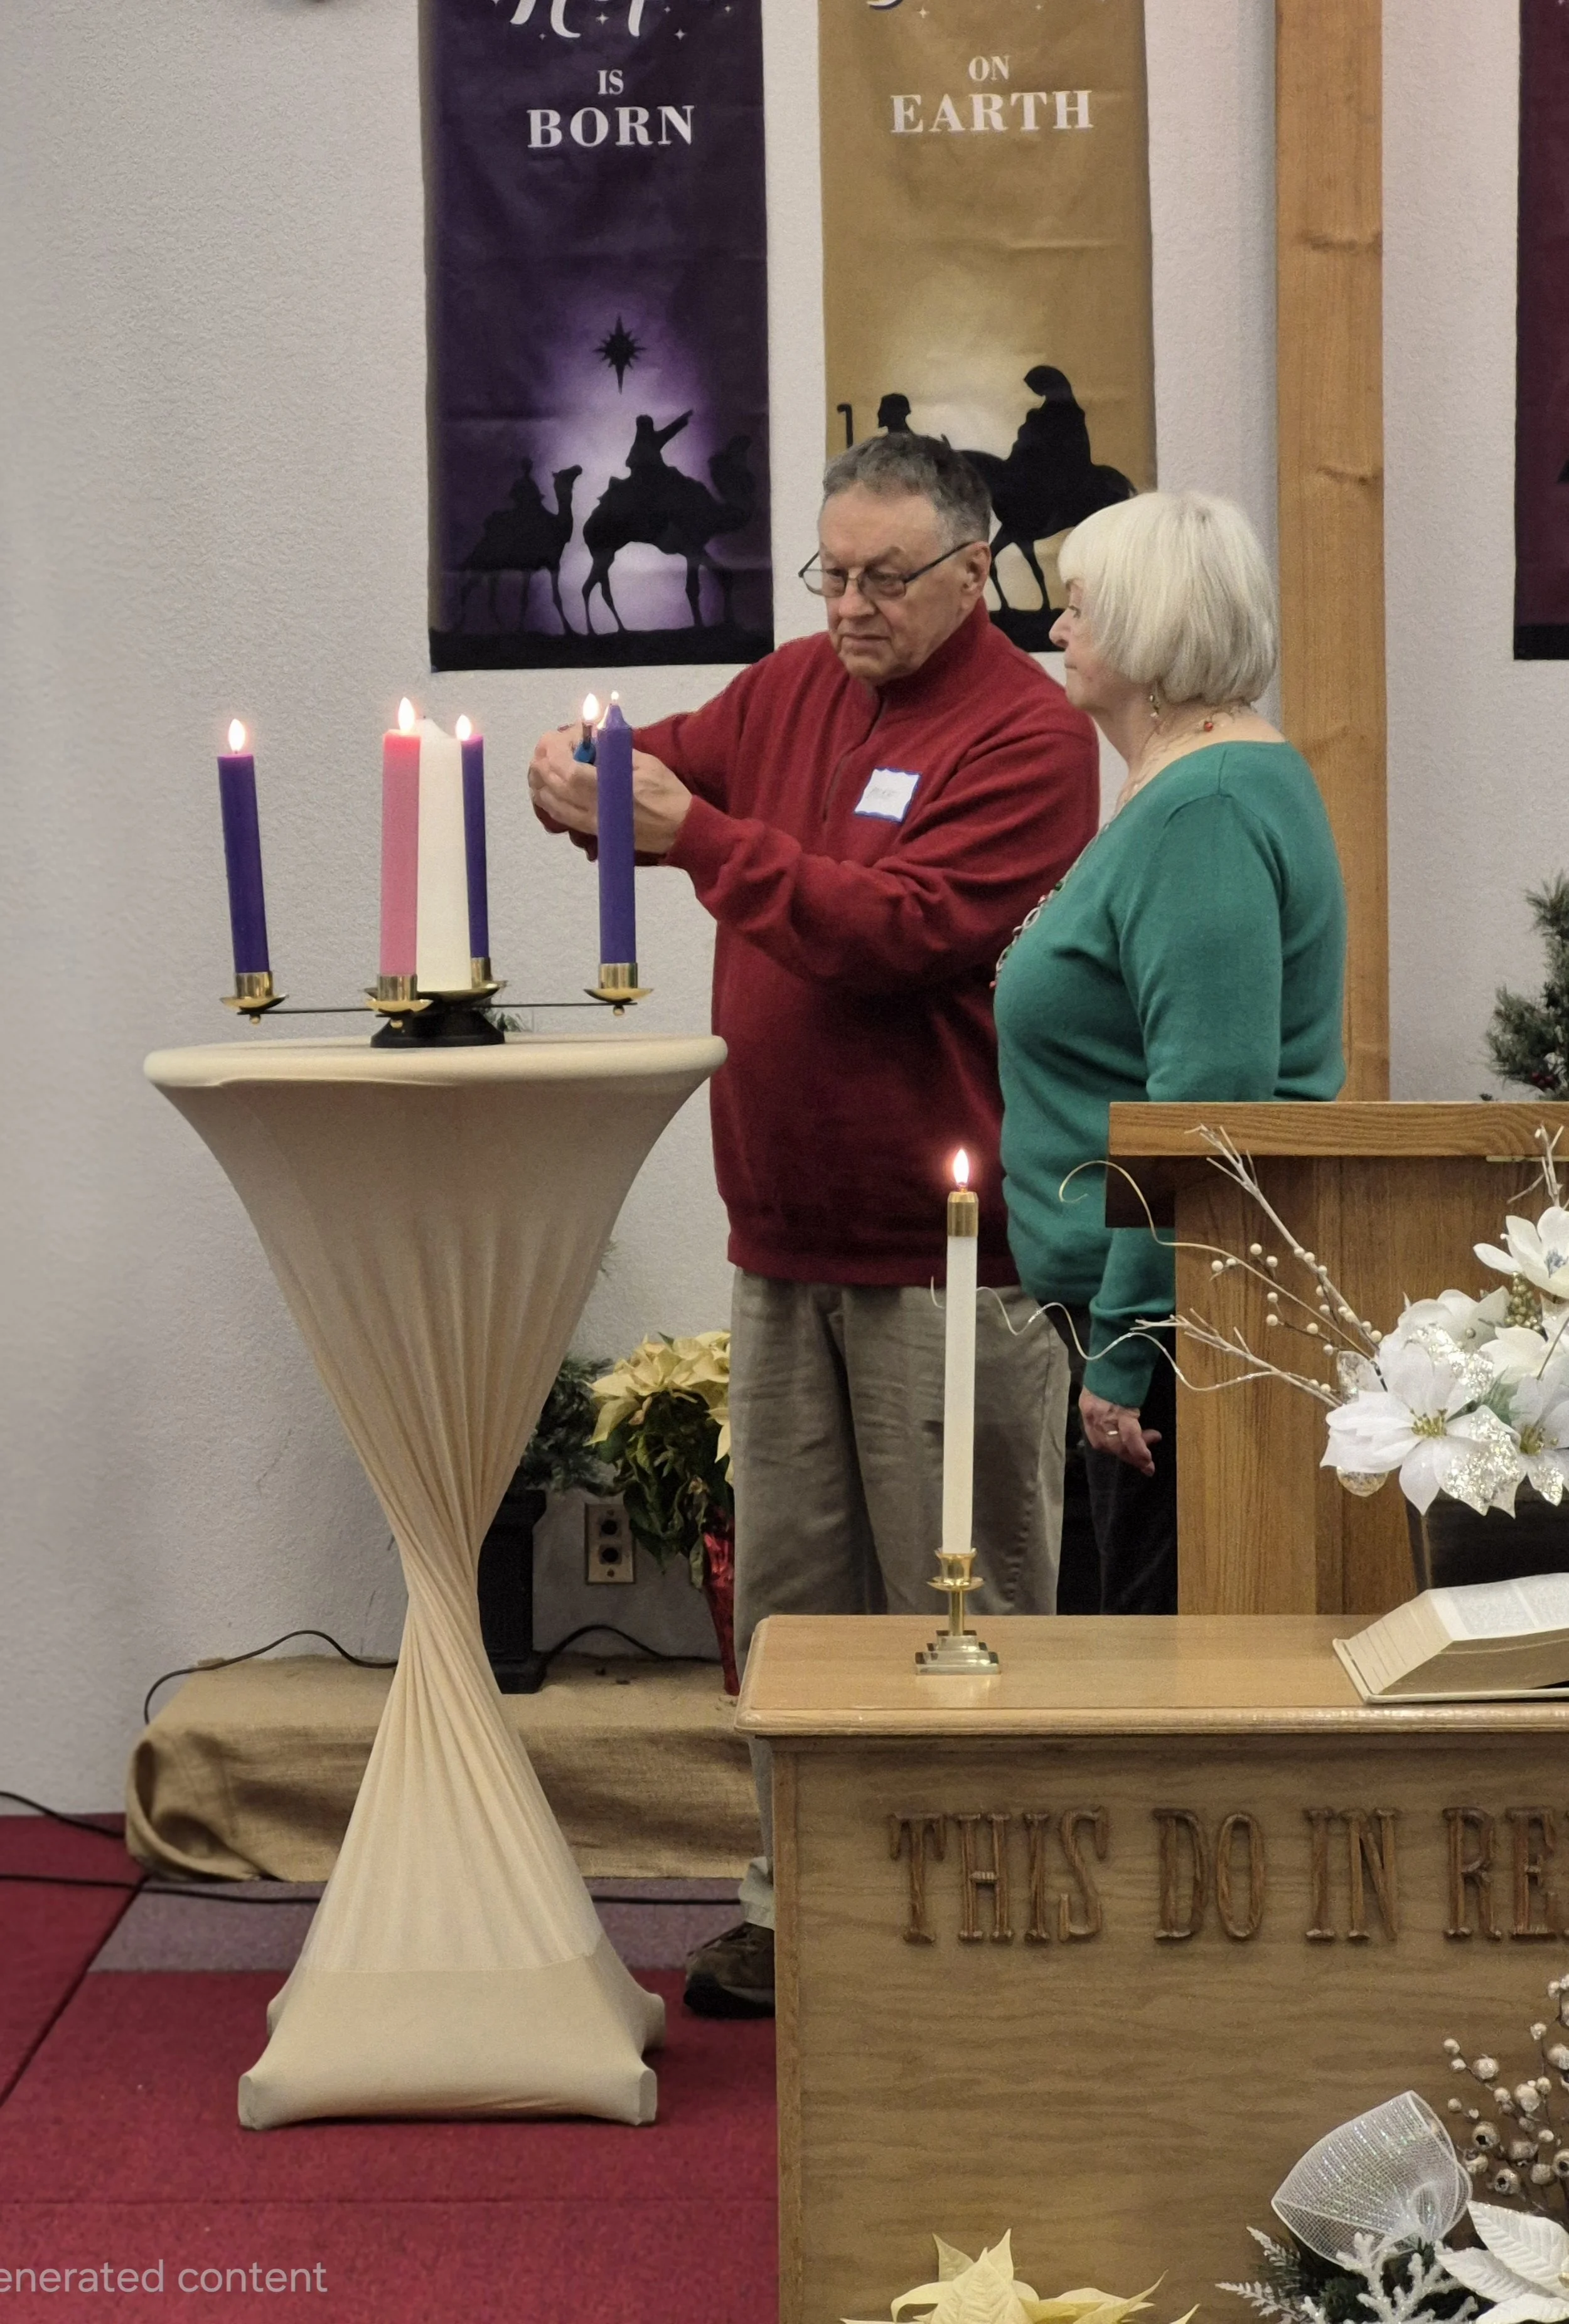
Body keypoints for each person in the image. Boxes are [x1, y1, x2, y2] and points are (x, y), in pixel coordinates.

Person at [529, 431, 1098, 2015]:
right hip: (778, 1233)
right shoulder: (786, 690)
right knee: (792, 1610)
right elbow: (657, 758)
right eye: (826, 572)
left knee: (959, 1611)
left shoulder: (1028, 736)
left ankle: (987, 1920)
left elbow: (897, 932)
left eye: (880, 579)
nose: (845, 605)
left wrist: (683, 833)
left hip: (949, 1260)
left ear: (972, 573)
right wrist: (575, 771)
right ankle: (798, 1911)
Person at [993, 489, 1347, 1616]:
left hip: (1173, 1344)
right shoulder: (1193, 786)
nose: (1057, 630)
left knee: (1148, 1677)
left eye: (1080, 609)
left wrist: (1126, 1352)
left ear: (1147, 631)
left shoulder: (1209, 805)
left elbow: (1201, 1107)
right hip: (1147, 1323)